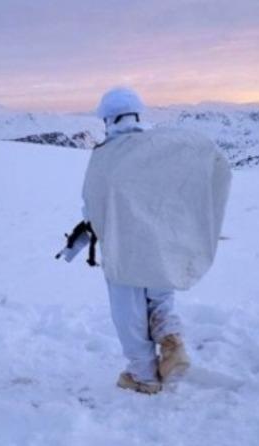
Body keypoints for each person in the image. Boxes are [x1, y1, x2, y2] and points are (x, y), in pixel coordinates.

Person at [83, 88, 202, 394]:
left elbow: (93, 206)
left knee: (129, 311)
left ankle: (143, 376)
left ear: (108, 118)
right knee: (160, 299)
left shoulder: (106, 155)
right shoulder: (159, 148)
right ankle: (172, 343)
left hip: (123, 247)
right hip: (162, 241)